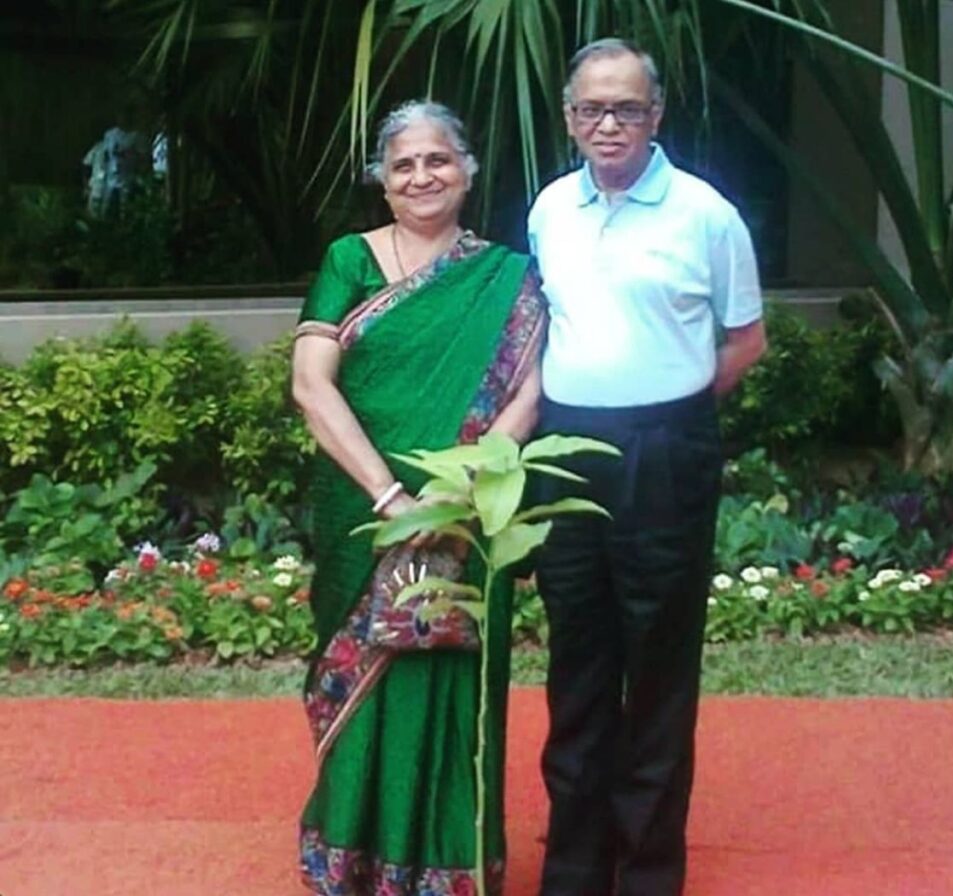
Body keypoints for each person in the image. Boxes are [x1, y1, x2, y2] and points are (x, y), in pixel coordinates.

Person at [527, 39, 767, 896]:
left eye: (626, 108)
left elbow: (746, 342)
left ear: (656, 115)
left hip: (665, 453)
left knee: (659, 664)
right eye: (592, 109)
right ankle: (576, 863)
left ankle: (649, 870)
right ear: (569, 118)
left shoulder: (707, 214)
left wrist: (668, 405)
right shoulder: (550, 208)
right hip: (564, 453)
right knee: (578, 657)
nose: (609, 125)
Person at [291, 100, 546, 896]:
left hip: (469, 507)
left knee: (452, 678)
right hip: (363, 507)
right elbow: (309, 382)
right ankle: (352, 855)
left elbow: (531, 392)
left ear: (467, 170)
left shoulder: (506, 276)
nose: (421, 176)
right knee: (369, 671)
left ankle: (447, 862)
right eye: (402, 165)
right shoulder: (349, 261)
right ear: (381, 181)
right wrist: (391, 494)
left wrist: (461, 488)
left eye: (437, 160)